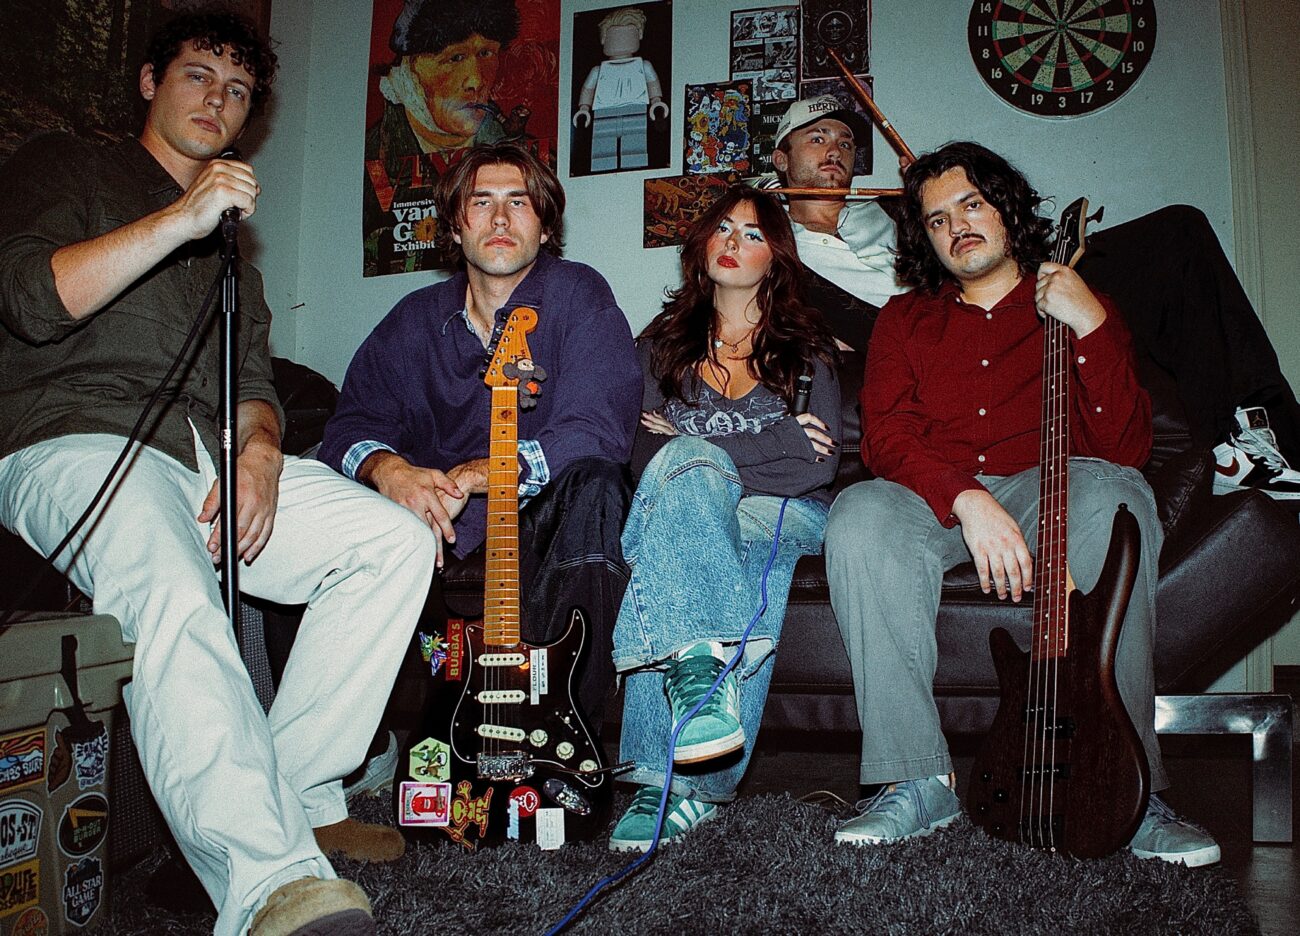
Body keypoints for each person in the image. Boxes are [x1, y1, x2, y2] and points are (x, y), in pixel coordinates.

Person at [0, 12, 435, 935]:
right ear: (149, 81)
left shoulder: (232, 246)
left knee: (393, 540)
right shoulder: (66, 166)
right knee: (166, 573)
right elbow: (35, 301)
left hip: (208, 452)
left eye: (238, 91)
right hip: (75, 439)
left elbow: (255, 385)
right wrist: (179, 219)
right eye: (198, 76)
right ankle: (270, 885)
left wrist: (264, 451)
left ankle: (297, 790)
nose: (218, 100)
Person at [822, 142, 1220, 867]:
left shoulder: (1077, 301)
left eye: (971, 204)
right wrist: (967, 498)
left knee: (1116, 497)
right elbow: (886, 437)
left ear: (1007, 210)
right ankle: (916, 780)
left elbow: (1127, 446)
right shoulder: (904, 319)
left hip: (1053, 487)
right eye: (937, 219)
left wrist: (1091, 324)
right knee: (859, 513)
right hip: (935, 495)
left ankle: (1133, 788)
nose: (957, 227)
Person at [769, 96, 1300, 494]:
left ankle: (1259, 434)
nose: (835, 149)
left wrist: (937, 192)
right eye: (816, 138)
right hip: (943, 324)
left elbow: (974, 227)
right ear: (780, 159)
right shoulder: (773, 244)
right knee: (1176, 239)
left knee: (1180, 232)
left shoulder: (885, 210)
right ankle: (1228, 452)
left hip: (1021, 279)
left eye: (845, 141)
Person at [322, 142, 641, 727]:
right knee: (307, 493)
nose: (499, 219)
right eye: (480, 202)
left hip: (546, 517)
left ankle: (567, 729)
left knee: (598, 484)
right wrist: (389, 470)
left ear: (545, 227)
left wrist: (489, 471)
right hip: (433, 526)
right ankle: (366, 739)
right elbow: (350, 425)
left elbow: (600, 428)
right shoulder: (414, 318)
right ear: (454, 226)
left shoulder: (579, 294)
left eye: (519, 202)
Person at [607, 186, 840, 852]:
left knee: (693, 500)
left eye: (754, 234)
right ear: (702, 244)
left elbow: (814, 467)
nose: (735, 243)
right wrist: (773, 440)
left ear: (777, 257)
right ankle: (686, 747)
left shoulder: (807, 349)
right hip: (689, 514)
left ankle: (675, 783)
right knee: (686, 517)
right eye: (724, 229)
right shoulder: (656, 350)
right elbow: (643, 459)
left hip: (785, 514)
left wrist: (697, 452)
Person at [364, 0, 525, 274]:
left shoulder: (526, 162)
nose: (476, 81)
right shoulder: (374, 161)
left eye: (486, 53)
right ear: (411, 70)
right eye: (455, 58)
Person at [572, 6, 668, 173]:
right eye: (615, 36)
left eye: (627, 35)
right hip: (604, 112)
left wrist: (656, 102)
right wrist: (584, 108)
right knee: (602, 149)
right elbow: (588, 90)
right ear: (604, 38)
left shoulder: (643, 66)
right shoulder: (598, 71)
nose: (621, 41)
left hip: (636, 109)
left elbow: (653, 84)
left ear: (638, 35)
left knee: (634, 147)